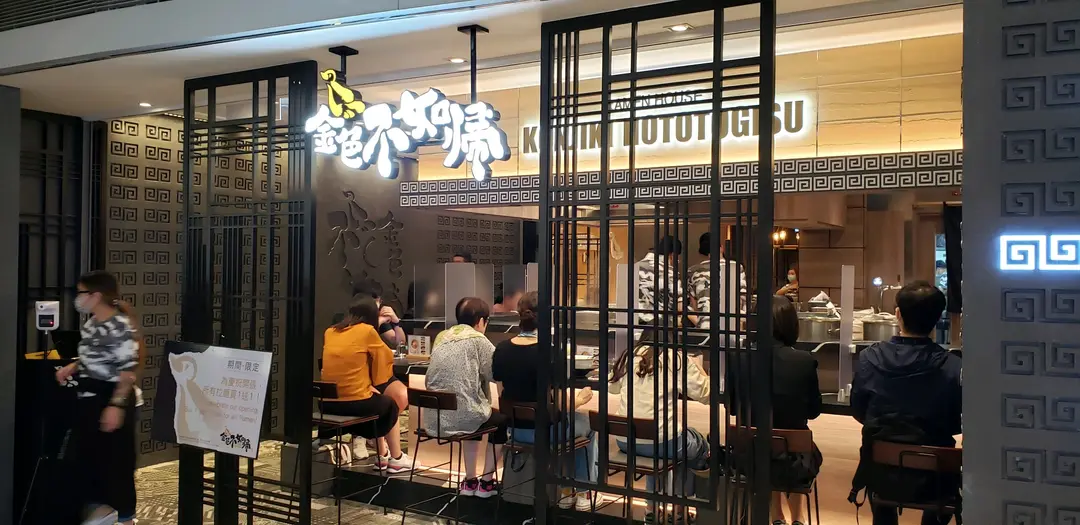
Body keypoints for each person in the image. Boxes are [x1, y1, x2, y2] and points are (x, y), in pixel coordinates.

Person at [850, 281, 961, 525]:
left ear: (897, 314)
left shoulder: (870, 357)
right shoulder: (953, 366)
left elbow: (859, 410)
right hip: (935, 478)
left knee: (877, 465)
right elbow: (956, 423)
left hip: (881, 473)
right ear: (938, 319)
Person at [492, 292, 597, 511]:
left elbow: (502, 394)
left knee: (570, 425)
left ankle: (567, 491)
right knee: (586, 425)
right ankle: (582, 492)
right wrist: (580, 399)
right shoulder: (550, 351)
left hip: (515, 430)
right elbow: (560, 406)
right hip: (545, 433)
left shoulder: (501, 349)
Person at [54, 270, 140, 525]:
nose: (78, 298)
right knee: (89, 460)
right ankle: (99, 512)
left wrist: (116, 405)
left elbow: (128, 371)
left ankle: (125, 517)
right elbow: (93, 357)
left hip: (111, 397)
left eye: (81, 293)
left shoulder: (121, 326)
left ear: (96, 295)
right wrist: (73, 367)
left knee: (117, 463)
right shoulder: (91, 325)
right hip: (89, 399)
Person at [609, 330, 710, 508]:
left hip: (626, 441)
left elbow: (612, 387)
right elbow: (706, 394)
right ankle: (681, 508)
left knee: (661, 446)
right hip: (664, 442)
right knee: (696, 445)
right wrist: (700, 369)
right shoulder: (675, 359)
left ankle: (651, 508)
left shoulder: (629, 356)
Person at [320, 295, 415, 473]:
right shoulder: (367, 331)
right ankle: (397, 458)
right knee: (390, 404)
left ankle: (382, 456)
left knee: (379, 399)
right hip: (355, 404)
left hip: (327, 404)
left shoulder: (330, 331)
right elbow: (384, 362)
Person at [425, 297, 508, 498]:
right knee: (500, 420)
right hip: (464, 416)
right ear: (481, 321)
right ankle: (486, 483)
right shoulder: (479, 340)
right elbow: (496, 374)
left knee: (475, 412)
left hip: (434, 419)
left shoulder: (442, 336)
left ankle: (470, 480)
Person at [768, 296, 822, 525]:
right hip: (794, 457)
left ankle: (776, 516)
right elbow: (813, 411)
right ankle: (797, 519)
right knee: (796, 450)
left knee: (768, 448)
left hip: (749, 455)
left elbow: (732, 406)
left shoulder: (739, 357)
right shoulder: (803, 361)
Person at [688, 232, 747, 330]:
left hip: (705, 324)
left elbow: (693, 304)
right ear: (721, 248)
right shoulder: (736, 267)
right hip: (731, 324)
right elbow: (742, 298)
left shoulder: (693, 271)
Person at [636, 235, 697, 328]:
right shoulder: (667, 271)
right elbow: (680, 305)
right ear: (672, 255)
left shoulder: (634, 268)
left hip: (633, 325)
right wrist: (701, 325)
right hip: (659, 327)